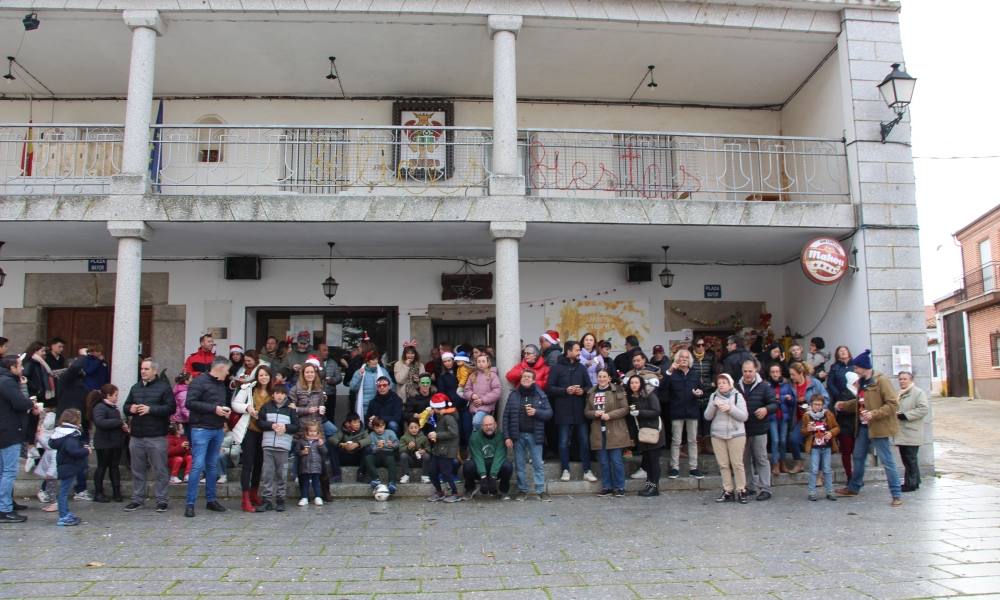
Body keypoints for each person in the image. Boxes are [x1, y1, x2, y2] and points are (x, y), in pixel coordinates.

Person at [835, 350, 903, 506]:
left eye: (856, 368)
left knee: (887, 461)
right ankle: (854, 487)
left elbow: (893, 404)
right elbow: (859, 403)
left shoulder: (881, 381)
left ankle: (896, 494)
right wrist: (844, 405)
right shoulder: (863, 383)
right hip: (864, 428)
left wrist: (874, 414)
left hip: (879, 427)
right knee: (858, 457)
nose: (854, 370)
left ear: (864, 367)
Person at [122, 359, 175, 513]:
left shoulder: (164, 387)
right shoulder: (135, 387)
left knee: (160, 470)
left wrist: (150, 410)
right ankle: (138, 499)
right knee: (137, 470)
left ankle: (162, 500)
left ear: (154, 371)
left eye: (146, 369)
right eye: (142, 368)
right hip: (137, 435)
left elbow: (171, 408)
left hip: (156, 435)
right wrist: (130, 408)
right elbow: (125, 406)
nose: (143, 371)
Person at [183, 357, 232, 517]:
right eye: (227, 369)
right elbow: (189, 403)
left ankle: (211, 500)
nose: (228, 372)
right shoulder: (199, 382)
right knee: (197, 465)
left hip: (217, 428)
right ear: (220, 368)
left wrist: (225, 413)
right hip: (200, 429)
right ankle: (190, 503)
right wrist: (214, 409)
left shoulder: (220, 384)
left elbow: (219, 404)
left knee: (212, 465)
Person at [548, 341, 597, 483]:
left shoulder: (581, 368)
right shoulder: (557, 368)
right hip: (563, 411)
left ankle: (587, 470)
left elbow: (589, 387)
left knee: (584, 441)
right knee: (563, 442)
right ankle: (565, 470)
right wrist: (565, 390)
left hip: (580, 410)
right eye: (576, 350)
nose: (579, 353)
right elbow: (549, 388)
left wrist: (583, 391)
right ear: (568, 351)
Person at [503, 369, 552, 501]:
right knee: (519, 465)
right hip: (517, 435)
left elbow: (549, 414)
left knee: (538, 464)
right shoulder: (513, 395)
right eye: (524, 376)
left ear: (534, 380)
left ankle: (540, 491)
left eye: (528, 377)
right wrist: (507, 436)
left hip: (535, 435)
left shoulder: (540, 395)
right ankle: (522, 490)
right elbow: (506, 416)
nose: (525, 379)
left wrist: (536, 412)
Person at [0, 354, 37, 523]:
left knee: (3, 472)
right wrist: (31, 403)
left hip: (5, 431)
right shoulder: (7, 382)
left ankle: (5, 506)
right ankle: (4, 509)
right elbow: (19, 403)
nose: (22, 368)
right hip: (9, 432)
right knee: (8, 472)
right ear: (11, 368)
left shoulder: (6, 381)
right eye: (19, 365)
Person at [704, 373, 749, 504]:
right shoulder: (713, 396)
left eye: (724, 382)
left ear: (730, 384)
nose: (722, 385)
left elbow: (744, 416)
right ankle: (727, 490)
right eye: (719, 383)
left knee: (737, 464)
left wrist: (730, 409)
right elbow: (707, 416)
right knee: (723, 464)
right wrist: (713, 405)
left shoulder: (737, 396)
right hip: (718, 434)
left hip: (736, 434)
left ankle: (741, 490)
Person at [231, 365, 271, 512]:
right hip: (250, 430)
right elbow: (235, 404)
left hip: (265, 431)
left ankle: (254, 494)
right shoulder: (249, 388)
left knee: (260, 464)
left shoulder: (273, 392)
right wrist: (247, 408)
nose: (264, 378)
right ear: (257, 376)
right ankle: (245, 498)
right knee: (248, 464)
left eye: (266, 375)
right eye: (261, 375)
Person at [736, 360, 777, 501]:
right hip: (742, 429)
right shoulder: (736, 386)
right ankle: (749, 486)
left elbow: (774, 403)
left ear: (755, 371)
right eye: (745, 371)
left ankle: (766, 488)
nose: (747, 374)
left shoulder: (764, 387)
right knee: (745, 460)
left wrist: (766, 409)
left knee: (761, 459)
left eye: (750, 371)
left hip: (759, 428)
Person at [254, 384, 299, 512]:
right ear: (273, 394)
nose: (279, 396)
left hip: (283, 446)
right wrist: (271, 425)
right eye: (277, 393)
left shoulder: (290, 409)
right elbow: (260, 422)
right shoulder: (266, 407)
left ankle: (280, 499)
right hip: (268, 445)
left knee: (282, 473)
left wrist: (285, 428)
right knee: (267, 474)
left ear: (286, 395)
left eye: (282, 393)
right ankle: (267, 500)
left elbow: (296, 426)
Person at [584, 369, 629, 497]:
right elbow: (586, 412)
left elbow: (625, 409)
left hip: (614, 429)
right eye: (599, 376)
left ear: (609, 378)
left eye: (604, 376)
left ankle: (620, 487)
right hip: (599, 430)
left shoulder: (618, 390)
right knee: (603, 461)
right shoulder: (591, 392)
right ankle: (607, 487)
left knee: (616, 461)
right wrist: (594, 414)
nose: (602, 379)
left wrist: (610, 415)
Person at [665, 348, 705, 479]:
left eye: (686, 358)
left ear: (690, 361)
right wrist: (669, 371)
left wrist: (699, 393)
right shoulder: (672, 373)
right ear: (677, 359)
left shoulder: (694, 374)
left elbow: (701, 389)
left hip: (692, 410)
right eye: (681, 357)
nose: (683, 359)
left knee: (692, 440)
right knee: (676, 440)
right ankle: (674, 467)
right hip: (676, 410)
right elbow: (663, 388)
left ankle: (693, 467)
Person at [48, 408, 90, 527]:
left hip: (64, 465)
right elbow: (74, 451)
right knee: (64, 491)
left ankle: (65, 513)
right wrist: (86, 450)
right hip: (69, 466)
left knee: (64, 491)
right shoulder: (70, 435)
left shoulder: (60, 433)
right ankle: (63, 516)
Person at [625, 374, 664, 497]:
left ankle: (654, 487)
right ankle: (649, 485)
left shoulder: (649, 395)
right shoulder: (632, 398)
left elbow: (656, 411)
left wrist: (640, 412)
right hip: (642, 433)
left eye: (636, 382)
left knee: (653, 461)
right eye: (632, 383)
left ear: (641, 383)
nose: (634, 385)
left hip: (653, 432)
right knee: (647, 461)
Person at [787, 362, 830, 474]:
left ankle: (820, 474)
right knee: (793, 439)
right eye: (790, 375)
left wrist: (814, 409)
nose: (791, 377)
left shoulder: (814, 383)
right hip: (800, 419)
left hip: (816, 419)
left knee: (818, 443)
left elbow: (826, 398)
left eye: (793, 374)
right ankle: (799, 463)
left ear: (801, 373)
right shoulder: (791, 386)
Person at [90, 384, 126, 502]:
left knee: (114, 467)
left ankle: (116, 492)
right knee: (102, 466)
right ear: (108, 395)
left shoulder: (112, 408)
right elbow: (100, 422)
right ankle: (98, 493)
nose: (117, 397)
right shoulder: (100, 407)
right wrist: (119, 422)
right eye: (115, 395)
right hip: (104, 443)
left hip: (114, 442)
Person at [463, 415, 512, 500]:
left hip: (495, 468)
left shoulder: (501, 437)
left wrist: (493, 476)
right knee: (468, 466)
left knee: (508, 466)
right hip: (480, 468)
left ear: (495, 425)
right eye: (485, 425)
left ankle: (503, 491)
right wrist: (483, 476)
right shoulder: (474, 437)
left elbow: (499, 457)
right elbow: (477, 457)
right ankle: (470, 488)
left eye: (490, 424)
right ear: (482, 426)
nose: (488, 427)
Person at [895, 371, 929, 493]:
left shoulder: (918, 392)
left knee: (910, 458)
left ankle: (911, 483)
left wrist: (906, 415)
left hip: (911, 431)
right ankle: (915, 481)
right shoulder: (899, 393)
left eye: (905, 379)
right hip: (902, 431)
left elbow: (924, 408)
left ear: (911, 380)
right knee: (907, 458)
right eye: (900, 379)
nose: (902, 381)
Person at [802, 393, 839, 501]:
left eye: (819, 404)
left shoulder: (828, 414)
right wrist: (808, 430)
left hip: (826, 446)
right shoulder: (807, 416)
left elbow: (837, 427)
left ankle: (830, 491)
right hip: (814, 447)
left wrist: (831, 433)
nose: (817, 407)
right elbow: (803, 431)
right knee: (814, 469)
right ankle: (812, 492)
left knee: (827, 469)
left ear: (823, 405)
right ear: (811, 405)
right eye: (815, 404)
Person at [425, 393, 461, 503]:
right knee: (432, 472)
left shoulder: (448, 418)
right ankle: (439, 492)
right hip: (438, 450)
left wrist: (437, 435)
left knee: (446, 473)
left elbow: (454, 433)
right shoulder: (438, 416)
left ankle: (454, 493)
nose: (432, 409)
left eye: (433, 408)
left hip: (447, 451)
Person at [827, 346, 856, 478]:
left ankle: (856, 475)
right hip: (841, 402)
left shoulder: (855, 365)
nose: (843, 352)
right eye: (840, 351)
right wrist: (839, 396)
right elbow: (830, 383)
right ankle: (850, 476)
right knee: (846, 448)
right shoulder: (835, 367)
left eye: (845, 350)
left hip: (855, 415)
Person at [765, 363, 795, 477]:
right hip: (772, 416)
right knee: (775, 440)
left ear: (781, 373)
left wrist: (789, 398)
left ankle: (783, 462)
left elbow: (792, 402)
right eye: (773, 372)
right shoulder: (767, 385)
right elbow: (766, 399)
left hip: (784, 416)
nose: (775, 374)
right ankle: (775, 463)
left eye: (777, 372)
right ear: (770, 374)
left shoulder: (787, 385)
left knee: (783, 440)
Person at [463, 354, 501, 431]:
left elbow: (497, 391)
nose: (481, 363)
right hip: (474, 406)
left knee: (477, 422)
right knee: (474, 429)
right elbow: (466, 390)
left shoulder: (492, 375)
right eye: (479, 361)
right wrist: (472, 395)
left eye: (483, 361)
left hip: (486, 407)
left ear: (488, 363)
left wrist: (482, 400)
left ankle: (484, 435)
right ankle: (480, 441)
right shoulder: (473, 375)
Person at [363, 416, 399, 496]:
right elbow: (371, 448)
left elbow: (397, 443)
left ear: (384, 426)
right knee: (368, 457)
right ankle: (375, 479)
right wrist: (377, 447)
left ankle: (392, 483)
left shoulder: (390, 432)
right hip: (377, 455)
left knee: (391, 460)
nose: (379, 429)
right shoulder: (372, 435)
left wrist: (392, 445)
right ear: (373, 428)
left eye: (381, 426)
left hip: (388, 454)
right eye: (377, 427)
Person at [295, 422, 329, 506]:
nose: (312, 433)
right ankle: (304, 497)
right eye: (310, 431)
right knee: (305, 482)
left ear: (318, 432)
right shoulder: (302, 441)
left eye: (315, 431)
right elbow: (296, 451)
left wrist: (321, 445)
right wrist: (302, 452)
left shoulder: (319, 441)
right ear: (306, 431)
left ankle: (318, 497)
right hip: (305, 465)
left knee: (316, 482)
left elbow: (325, 452)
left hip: (316, 465)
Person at [330, 412, 371, 482]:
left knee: (368, 449)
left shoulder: (363, 431)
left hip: (357, 458)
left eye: (358, 422)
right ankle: (337, 474)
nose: (357, 424)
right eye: (355, 422)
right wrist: (342, 445)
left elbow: (368, 440)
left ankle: (361, 474)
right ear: (348, 423)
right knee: (333, 448)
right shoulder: (343, 431)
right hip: (345, 457)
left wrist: (357, 444)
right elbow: (332, 439)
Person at [350, 351, 391, 418]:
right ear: (367, 361)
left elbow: (390, 386)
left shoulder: (383, 371)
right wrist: (359, 376)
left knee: (378, 426)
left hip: (380, 405)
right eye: (372, 359)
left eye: (376, 359)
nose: (375, 361)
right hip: (364, 406)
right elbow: (353, 388)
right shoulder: (359, 372)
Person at [399, 419, 430, 484]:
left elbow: (429, 448)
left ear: (419, 428)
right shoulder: (404, 437)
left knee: (427, 456)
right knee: (403, 455)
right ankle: (406, 475)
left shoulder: (423, 437)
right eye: (411, 428)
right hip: (410, 460)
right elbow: (400, 449)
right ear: (408, 428)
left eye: (416, 427)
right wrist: (408, 447)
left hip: (420, 459)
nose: (414, 429)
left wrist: (424, 450)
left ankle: (425, 476)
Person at [171, 372, 191, 440]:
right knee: (184, 440)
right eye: (191, 378)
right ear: (186, 381)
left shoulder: (180, 390)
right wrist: (192, 418)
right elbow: (184, 408)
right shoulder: (183, 392)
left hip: (180, 419)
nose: (192, 380)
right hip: (182, 420)